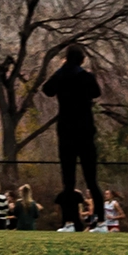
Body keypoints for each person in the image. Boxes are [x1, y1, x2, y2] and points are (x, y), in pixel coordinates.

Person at [43, 45, 105, 226]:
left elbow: (47, 90)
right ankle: (101, 221)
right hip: (85, 131)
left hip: (66, 132)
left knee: (68, 180)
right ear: (82, 60)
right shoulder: (86, 77)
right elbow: (96, 92)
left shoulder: (61, 76)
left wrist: (62, 69)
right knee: (92, 179)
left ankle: (69, 221)